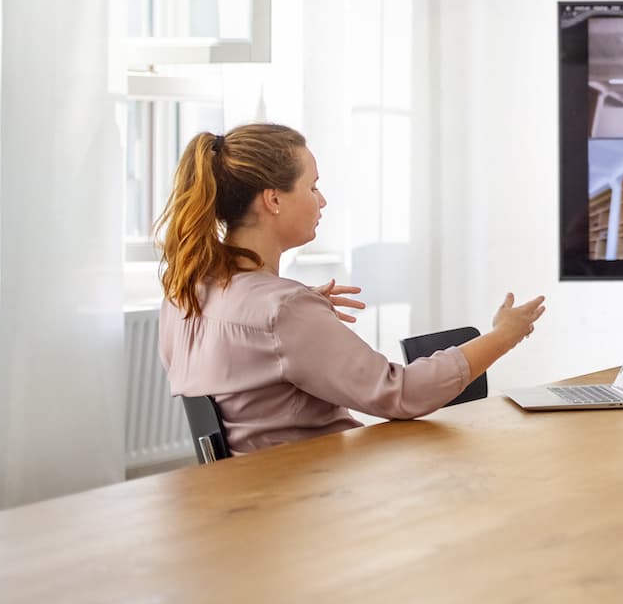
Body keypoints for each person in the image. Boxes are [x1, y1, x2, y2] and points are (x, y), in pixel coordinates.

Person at [156, 123, 546, 454]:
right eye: (312, 187)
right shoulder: (282, 311)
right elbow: (401, 394)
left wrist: (298, 321)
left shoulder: (184, 292)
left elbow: (243, 371)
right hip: (319, 501)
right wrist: (503, 336)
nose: (322, 201)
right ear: (273, 199)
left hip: (253, 503)